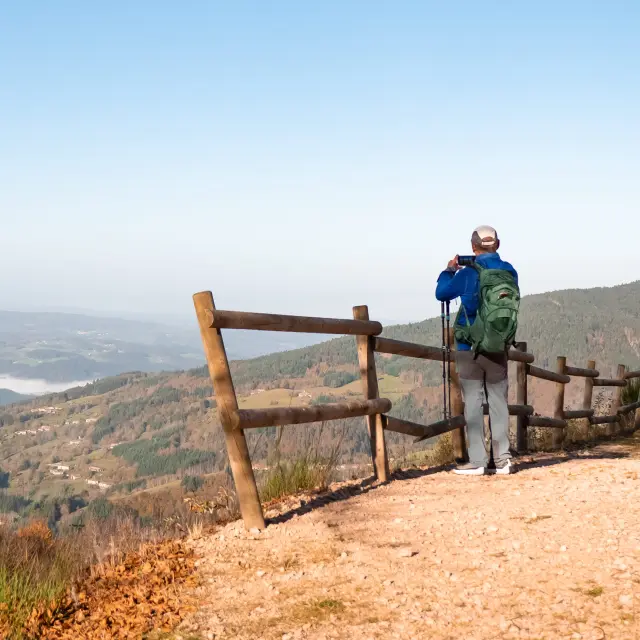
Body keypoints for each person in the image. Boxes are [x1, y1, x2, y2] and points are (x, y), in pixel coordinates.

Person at [435, 225, 519, 476]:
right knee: (498, 402)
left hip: (468, 346)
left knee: (473, 402)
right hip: (497, 345)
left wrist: (449, 270)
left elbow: (442, 293)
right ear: (498, 245)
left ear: (473, 247)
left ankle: (478, 461)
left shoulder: (468, 273)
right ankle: (503, 460)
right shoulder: (509, 271)